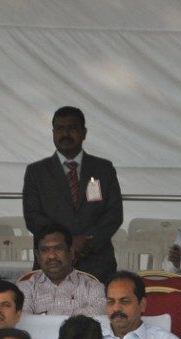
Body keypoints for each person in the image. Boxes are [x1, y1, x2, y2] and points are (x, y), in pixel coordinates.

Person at [23, 106, 124, 281]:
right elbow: (33, 217)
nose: (65, 133)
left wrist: (88, 242)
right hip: (52, 265)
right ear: (53, 132)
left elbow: (114, 214)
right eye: (59, 128)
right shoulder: (36, 172)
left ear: (84, 133)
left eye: (72, 128)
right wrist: (68, 242)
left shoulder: (103, 169)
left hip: (97, 265)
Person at [18, 226, 106, 316]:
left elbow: (100, 312)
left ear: (71, 253)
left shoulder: (92, 287)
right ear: (38, 256)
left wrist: (45, 316)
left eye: (58, 248)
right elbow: (24, 321)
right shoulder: (25, 288)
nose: (52, 256)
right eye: (45, 250)